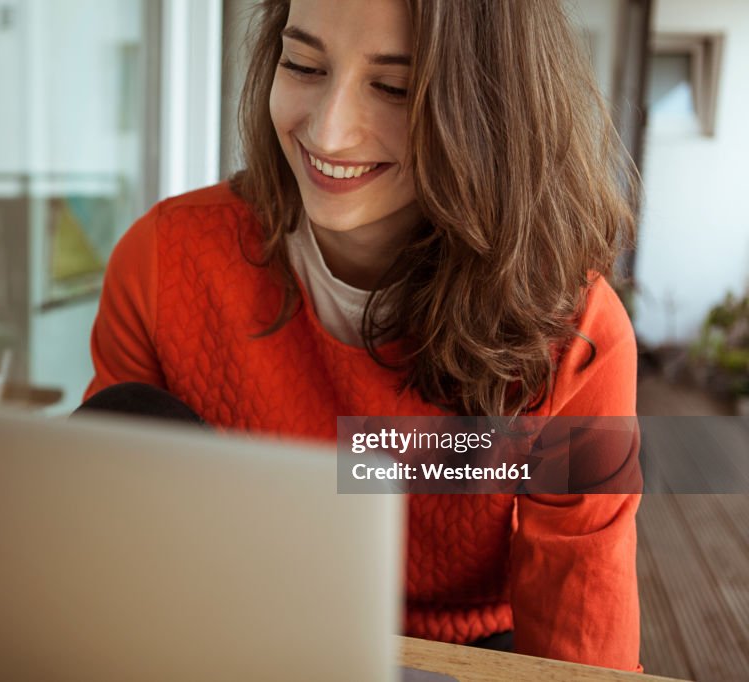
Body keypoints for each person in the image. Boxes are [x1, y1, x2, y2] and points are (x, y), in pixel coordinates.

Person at [83, 0, 640, 671]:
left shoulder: (578, 334)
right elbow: (107, 545)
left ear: (490, 111)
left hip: (460, 656)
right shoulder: (160, 260)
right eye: (304, 64)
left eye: (394, 87)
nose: (329, 131)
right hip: (236, 643)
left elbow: (581, 644)